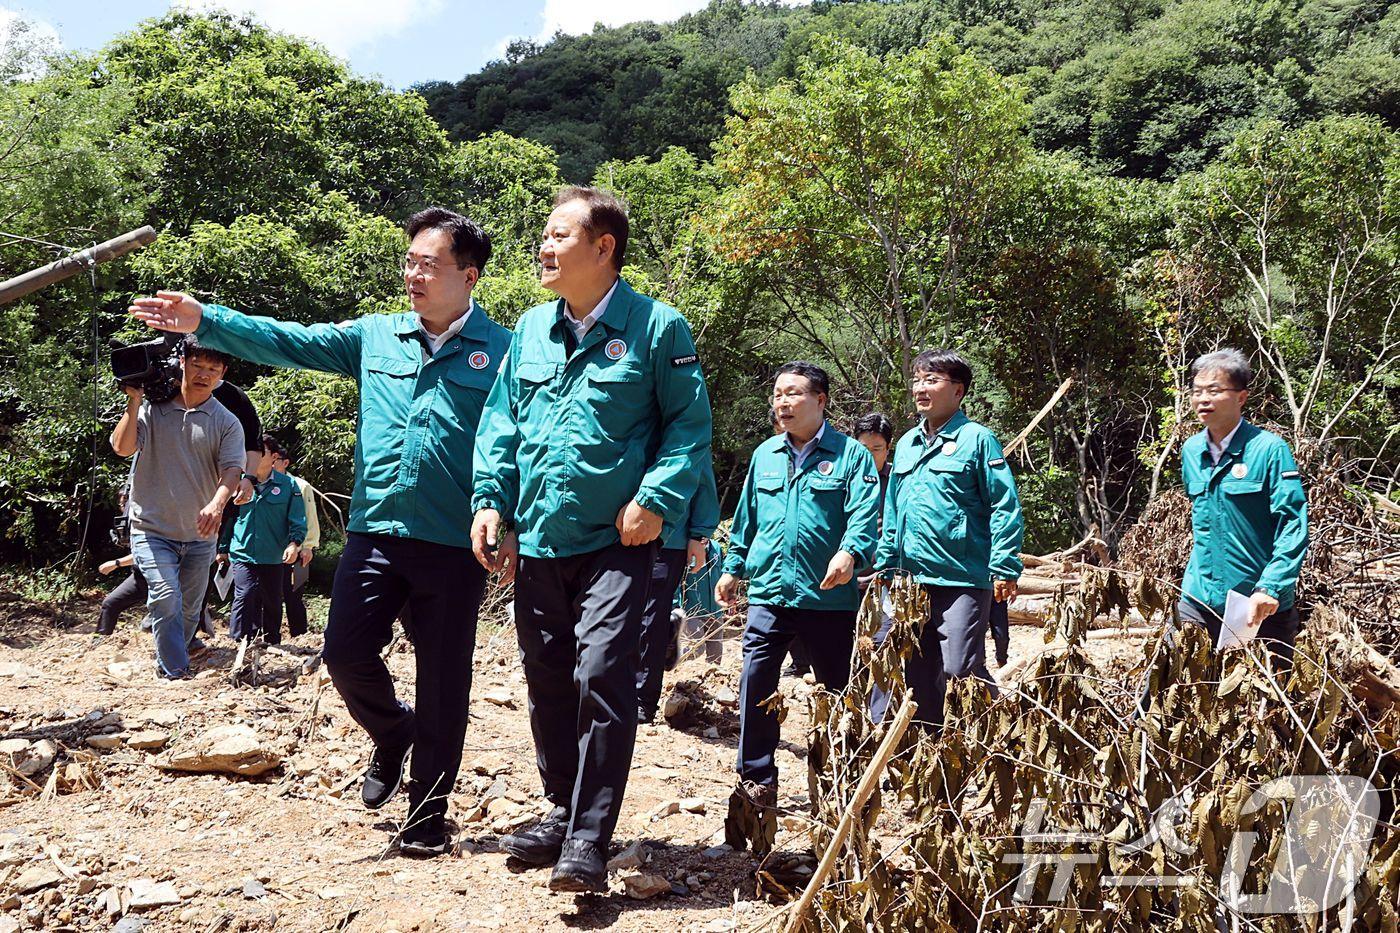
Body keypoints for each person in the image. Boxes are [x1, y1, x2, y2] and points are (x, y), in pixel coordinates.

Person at [129, 207, 510, 858]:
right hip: (376, 531)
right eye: (410, 260)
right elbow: (289, 340)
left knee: (446, 678)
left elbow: (517, 440)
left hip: (454, 542)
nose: (413, 273)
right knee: (343, 654)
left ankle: (427, 810)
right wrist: (208, 321)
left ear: (468, 275)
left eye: (430, 263)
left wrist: (507, 513)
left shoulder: (504, 351)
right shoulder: (375, 336)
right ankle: (394, 734)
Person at [472, 186, 712, 891]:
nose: (543, 248)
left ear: (603, 247)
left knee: (601, 675)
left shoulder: (658, 327)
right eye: (543, 237)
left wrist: (657, 499)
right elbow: (502, 426)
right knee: (547, 678)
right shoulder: (532, 329)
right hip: (542, 536)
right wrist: (493, 504)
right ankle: (559, 805)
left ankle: (587, 835)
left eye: (557, 235)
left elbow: (688, 429)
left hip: (618, 541)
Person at [715, 361, 881, 809]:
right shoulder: (765, 455)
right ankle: (756, 778)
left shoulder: (852, 456)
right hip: (770, 592)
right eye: (777, 394)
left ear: (821, 400)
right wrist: (733, 567)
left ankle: (839, 776)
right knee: (756, 680)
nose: (782, 402)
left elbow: (863, 517)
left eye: (793, 393)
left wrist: (849, 553)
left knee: (835, 687)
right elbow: (746, 519)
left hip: (828, 597)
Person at [873, 350, 1024, 728]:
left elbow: (1004, 504)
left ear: (958, 391)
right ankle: (934, 747)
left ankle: (998, 734)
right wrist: (887, 562)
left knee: (960, 667)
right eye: (918, 380)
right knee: (917, 671)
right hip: (911, 581)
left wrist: (1005, 565)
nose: (920, 389)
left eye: (931, 380)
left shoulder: (977, 440)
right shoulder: (906, 443)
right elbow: (893, 507)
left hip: (962, 578)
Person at [109, 335, 245, 679]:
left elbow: (232, 469)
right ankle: (174, 671)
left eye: (212, 368)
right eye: (197, 364)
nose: (204, 373)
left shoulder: (226, 421)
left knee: (188, 610)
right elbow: (122, 448)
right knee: (166, 595)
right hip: (152, 528)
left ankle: (173, 653)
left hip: (201, 533)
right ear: (182, 362)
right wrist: (134, 402)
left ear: (222, 373)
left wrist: (217, 504)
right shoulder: (154, 409)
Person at [1176, 349, 1308, 665]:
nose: (1203, 399)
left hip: (1257, 602)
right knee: (1175, 687)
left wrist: (1271, 586)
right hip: (1199, 596)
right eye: (1197, 391)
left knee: (1265, 701)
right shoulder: (1192, 450)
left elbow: (1292, 523)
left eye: (1215, 390)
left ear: (1241, 397)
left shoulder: (1269, 450)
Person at [636, 463, 719, 723]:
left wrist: (700, 536)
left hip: (669, 537)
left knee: (650, 614)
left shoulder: (685, 424)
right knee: (619, 612)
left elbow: (701, 479)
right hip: (617, 534)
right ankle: (668, 628)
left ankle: (642, 701)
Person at [222, 435, 306, 645]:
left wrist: (294, 543)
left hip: (273, 554)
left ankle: (271, 642)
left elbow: (297, 517)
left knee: (272, 601)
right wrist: (222, 548)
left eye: (261, 453)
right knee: (245, 593)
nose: (254, 457)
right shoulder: (238, 483)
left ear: (274, 457)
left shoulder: (288, 485)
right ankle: (238, 642)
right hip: (242, 551)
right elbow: (228, 519)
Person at [271, 447, 321, 637]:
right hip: (272, 549)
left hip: (298, 549)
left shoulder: (300, 485)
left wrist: (308, 546)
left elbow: (310, 517)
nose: (271, 463)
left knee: (294, 595)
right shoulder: (261, 483)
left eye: (276, 460)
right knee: (269, 595)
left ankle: (300, 636)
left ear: (285, 463)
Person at [676, 538, 725, 664]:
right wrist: (675, 605)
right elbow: (676, 581)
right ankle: (671, 662)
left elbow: (723, 575)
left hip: (716, 610)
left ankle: (713, 680)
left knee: (716, 655)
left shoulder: (716, 548)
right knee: (697, 649)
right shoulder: (685, 548)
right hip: (693, 611)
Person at [96, 554, 147, 636]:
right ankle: (101, 638)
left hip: (164, 578)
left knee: (149, 625)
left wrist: (117, 563)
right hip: (139, 576)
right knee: (110, 603)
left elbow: (144, 553)